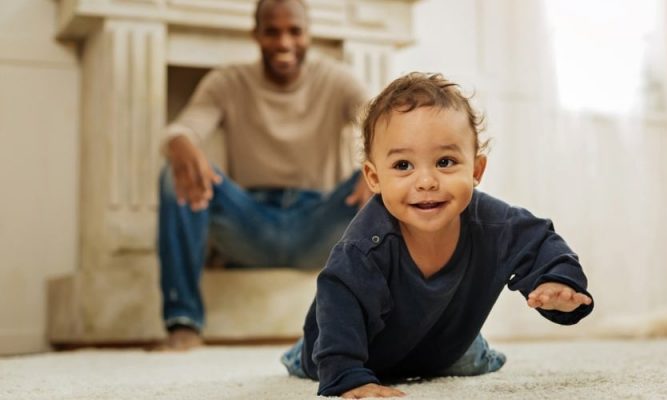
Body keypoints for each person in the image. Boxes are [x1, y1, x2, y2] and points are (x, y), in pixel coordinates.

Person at [280, 72, 595, 397]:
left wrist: (557, 281)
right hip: (360, 345)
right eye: (403, 166)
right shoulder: (365, 246)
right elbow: (338, 297)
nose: (427, 181)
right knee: (319, 353)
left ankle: (469, 350)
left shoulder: (496, 225)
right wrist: (347, 376)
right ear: (374, 178)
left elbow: (540, 241)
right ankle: (301, 352)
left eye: (445, 162)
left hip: (442, 346)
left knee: (467, 358)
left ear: (475, 170)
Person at [156, 0, 372, 350]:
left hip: (320, 224)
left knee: (389, 178)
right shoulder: (227, 81)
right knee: (174, 174)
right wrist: (179, 142)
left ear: (308, 35)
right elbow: (185, 127)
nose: (284, 42)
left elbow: (381, 123)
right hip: (250, 225)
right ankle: (183, 321)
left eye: (294, 31)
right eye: (272, 31)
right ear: (255, 35)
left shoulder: (337, 79)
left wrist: (375, 163)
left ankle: (389, 322)